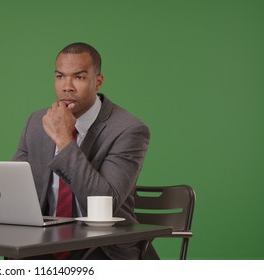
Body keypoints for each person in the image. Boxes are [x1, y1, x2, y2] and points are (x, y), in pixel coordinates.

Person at [13, 42, 158, 259]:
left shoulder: (129, 130)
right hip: (42, 247)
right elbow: (16, 189)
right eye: (60, 76)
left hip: (103, 250)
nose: (66, 87)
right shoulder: (37, 122)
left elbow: (104, 202)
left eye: (79, 77)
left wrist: (64, 140)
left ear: (97, 81)